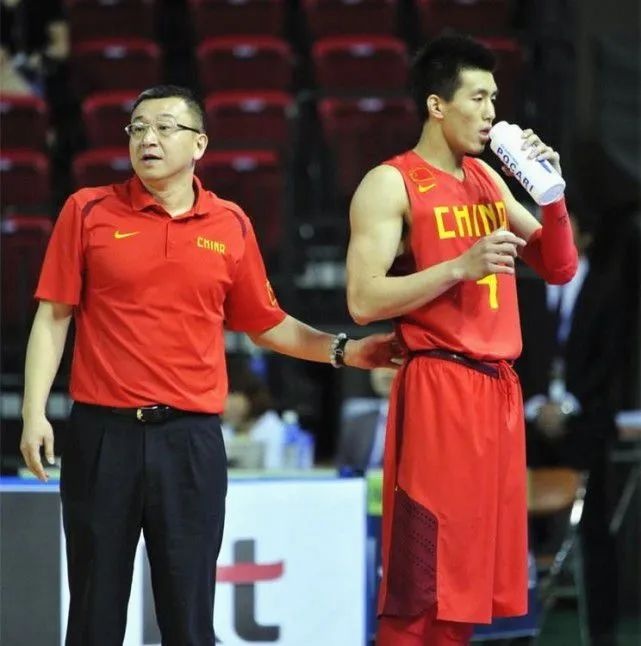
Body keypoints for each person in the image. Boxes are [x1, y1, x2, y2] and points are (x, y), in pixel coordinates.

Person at [19, 84, 401, 646]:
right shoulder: (87, 210)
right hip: (102, 437)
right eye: (137, 128)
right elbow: (53, 317)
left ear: (199, 144)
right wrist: (33, 413)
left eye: (164, 127)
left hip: (191, 441)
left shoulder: (230, 224)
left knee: (191, 620)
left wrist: (343, 349)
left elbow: (266, 323)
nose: (148, 139)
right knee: (94, 618)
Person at [345, 35, 578, 646]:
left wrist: (551, 197)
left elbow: (559, 267)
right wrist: (458, 267)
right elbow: (363, 300)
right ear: (437, 105)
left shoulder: (487, 179)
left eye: (494, 98)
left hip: (497, 391)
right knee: (422, 585)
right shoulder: (390, 182)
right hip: (439, 383)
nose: (491, 112)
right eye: (478, 98)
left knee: (466, 586)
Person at [517, 199, 623, 645]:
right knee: (513, 525)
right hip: (528, 420)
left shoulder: (609, 290)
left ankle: (602, 631)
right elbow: (515, 352)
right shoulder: (523, 285)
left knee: (595, 527)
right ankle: (513, 626)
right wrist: (536, 404)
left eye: (559, 224)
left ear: (584, 236)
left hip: (585, 422)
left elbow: (612, 360)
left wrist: (568, 407)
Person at [222, 356, 286, 469]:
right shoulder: (223, 429)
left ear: (249, 396)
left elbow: (273, 469)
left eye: (231, 395)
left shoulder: (271, 425)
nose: (226, 403)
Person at [337, 366, 396, 472]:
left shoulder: (422, 424)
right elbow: (343, 471)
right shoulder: (355, 424)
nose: (385, 372)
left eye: (392, 364)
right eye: (377, 365)